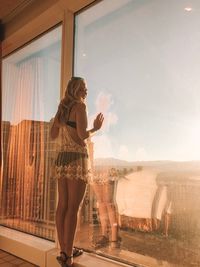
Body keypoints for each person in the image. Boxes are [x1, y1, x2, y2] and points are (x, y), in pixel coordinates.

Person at [50, 77, 104, 267]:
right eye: (84, 88)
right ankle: (68, 257)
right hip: (76, 159)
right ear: (76, 89)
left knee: (62, 206)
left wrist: (60, 122)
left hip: (62, 160)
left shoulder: (62, 108)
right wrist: (96, 129)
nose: (86, 92)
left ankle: (64, 250)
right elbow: (82, 135)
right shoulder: (80, 107)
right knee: (73, 208)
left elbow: (53, 134)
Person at [92, 167, 121, 249]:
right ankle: (104, 235)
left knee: (108, 201)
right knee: (100, 201)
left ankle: (114, 237)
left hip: (106, 163)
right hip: (94, 165)